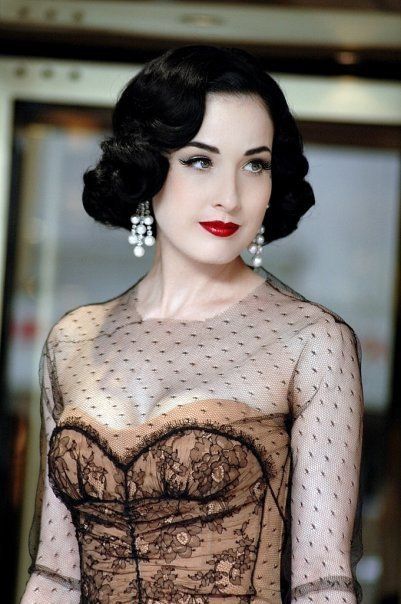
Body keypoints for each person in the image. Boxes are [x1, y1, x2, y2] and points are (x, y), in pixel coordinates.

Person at [21, 44, 364, 604]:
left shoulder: (311, 341)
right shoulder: (73, 340)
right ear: (148, 166)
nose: (230, 197)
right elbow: (55, 573)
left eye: (254, 164)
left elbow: (321, 579)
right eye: (200, 160)